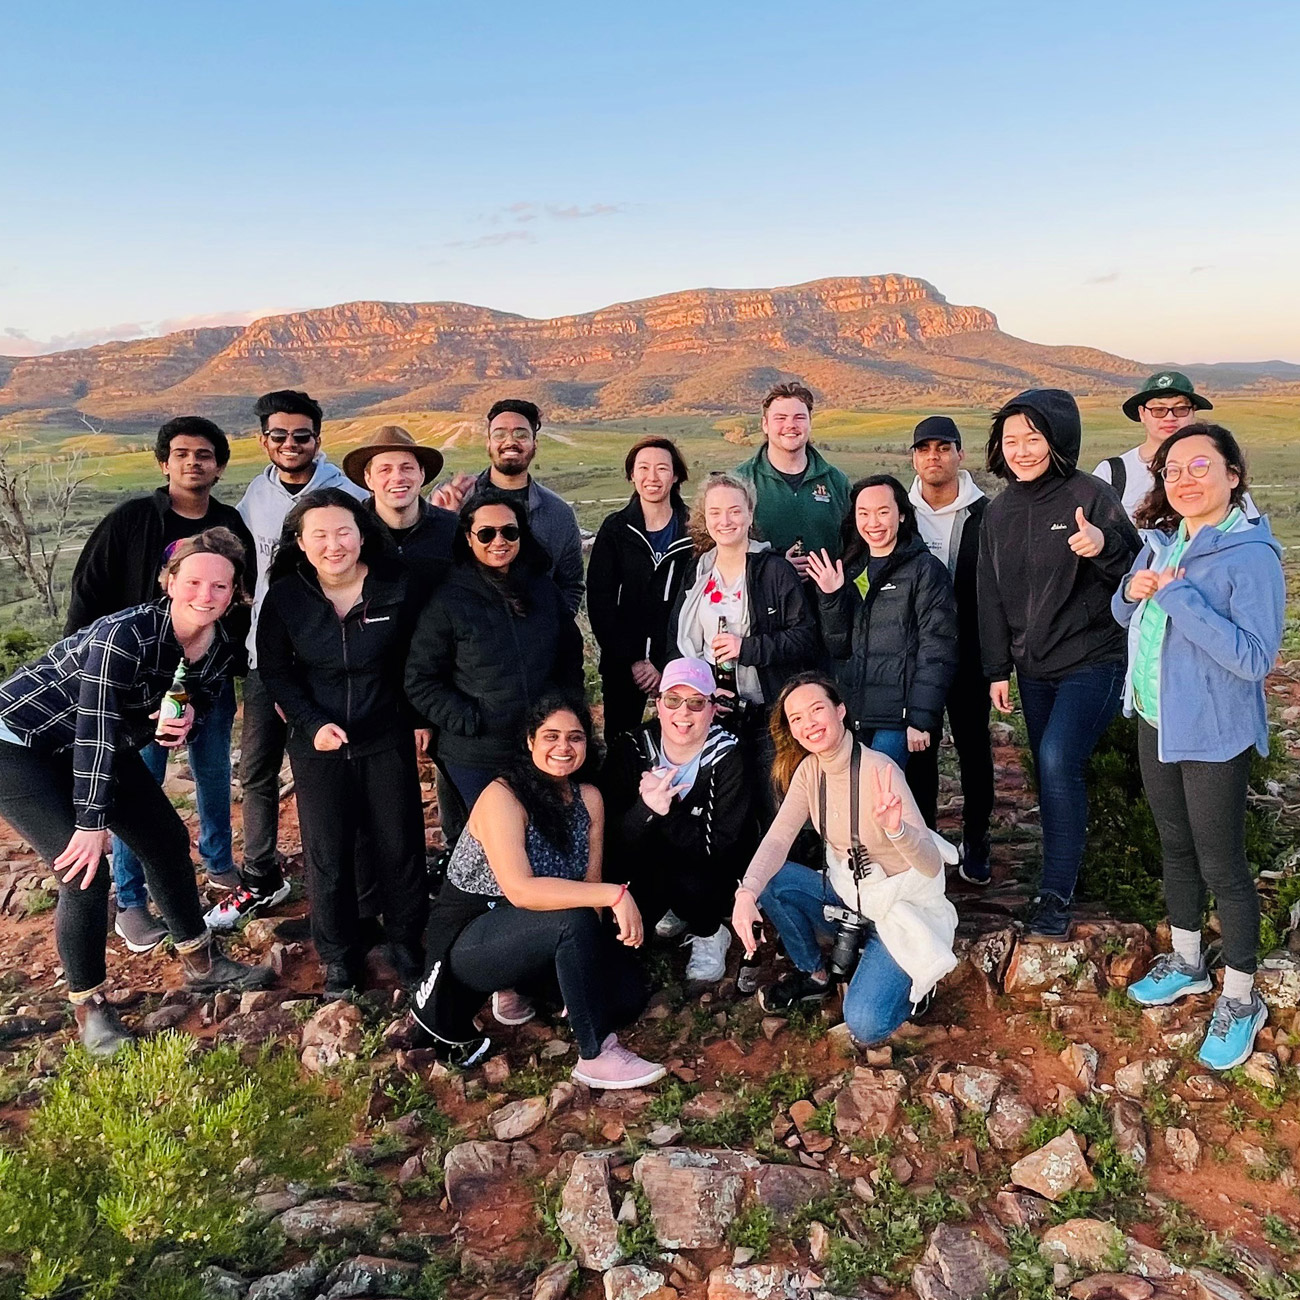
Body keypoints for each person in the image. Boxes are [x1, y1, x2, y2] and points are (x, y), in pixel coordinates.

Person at [0, 530, 273, 1055]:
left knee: (165, 840)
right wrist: (91, 822)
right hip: (21, 746)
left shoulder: (219, 645)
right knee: (83, 871)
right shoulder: (124, 635)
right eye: (193, 582)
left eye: (220, 586)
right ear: (169, 582)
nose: (206, 595)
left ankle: (200, 961)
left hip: (95, 744)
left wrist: (187, 722)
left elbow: (196, 703)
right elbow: (96, 728)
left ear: (235, 592)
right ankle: (90, 1006)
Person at [1118, 425, 1284, 1071]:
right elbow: (1125, 614)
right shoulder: (1162, 542)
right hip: (1156, 721)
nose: (1183, 480)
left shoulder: (1252, 557)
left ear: (1233, 475)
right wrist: (1130, 592)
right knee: (1176, 848)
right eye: (1171, 471)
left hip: (1214, 734)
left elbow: (1254, 658)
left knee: (1223, 866)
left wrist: (1177, 596)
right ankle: (1188, 962)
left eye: (1199, 466)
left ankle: (1241, 996)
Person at [63, 416, 256, 950]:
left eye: (204, 454)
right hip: (134, 685)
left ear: (219, 466)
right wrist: (89, 669)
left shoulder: (230, 523)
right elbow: (89, 592)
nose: (193, 462)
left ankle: (219, 864)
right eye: (182, 453)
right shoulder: (132, 520)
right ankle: (131, 901)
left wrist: (228, 662)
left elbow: (242, 596)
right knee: (137, 789)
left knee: (213, 773)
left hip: (206, 673)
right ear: (163, 462)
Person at [410, 695, 664, 1088]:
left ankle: (525, 987)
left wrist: (584, 971)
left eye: (575, 737)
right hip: (473, 937)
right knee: (571, 920)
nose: (564, 747)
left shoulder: (588, 798)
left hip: (537, 931)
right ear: (530, 741)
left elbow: (588, 885)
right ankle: (596, 1055)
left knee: (625, 998)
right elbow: (521, 891)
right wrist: (615, 895)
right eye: (551, 736)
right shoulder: (503, 796)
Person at [978, 389, 1141, 938]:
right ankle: (1062, 871)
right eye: (1011, 439)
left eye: (1034, 438)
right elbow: (989, 594)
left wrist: (1102, 546)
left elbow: (1136, 571)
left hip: (1092, 658)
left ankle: (1055, 896)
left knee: (1055, 759)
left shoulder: (1089, 495)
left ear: (1057, 441)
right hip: (1034, 666)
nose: (1021, 450)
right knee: (1052, 773)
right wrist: (996, 669)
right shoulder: (998, 511)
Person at [255, 489, 429, 994]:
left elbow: (417, 660)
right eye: (320, 535)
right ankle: (338, 956)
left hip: (385, 736)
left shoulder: (395, 587)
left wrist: (417, 717)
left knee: (400, 844)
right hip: (318, 745)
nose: (334, 545)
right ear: (301, 543)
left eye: (343, 532)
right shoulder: (286, 597)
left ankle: (405, 941)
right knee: (327, 851)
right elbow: (276, 671)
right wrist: (312, 724)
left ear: (362, 535)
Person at [730, 675, 957, 1043]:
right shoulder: (809, 771)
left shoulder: (879, 770)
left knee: (865, 1025)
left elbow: (931, 865)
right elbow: (778, 839)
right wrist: (746, 893)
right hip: (848, 894)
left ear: (840, 711)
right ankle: (815, 975)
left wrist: (897, 830)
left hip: (898, 908)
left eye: (817, 709)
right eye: (796, 718)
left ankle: (915, 983)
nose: (809, 724)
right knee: (770, 881)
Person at [219, 390, 367, 929]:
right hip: (268, 656)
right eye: (278, 435)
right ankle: (261, 874)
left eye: (301, 435)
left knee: (335, 767)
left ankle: (351, 874)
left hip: (332, 658)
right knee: (257, 768)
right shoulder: (252, 499)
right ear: (263, 440)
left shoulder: (350, 495)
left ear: (317, 440)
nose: (290, 444)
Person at [406, 490, 585, 817]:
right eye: (486, 533)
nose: (498, 541)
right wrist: (472, 719)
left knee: (542, 833)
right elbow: (420, 680)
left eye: (509, 532)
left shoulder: (543, 591)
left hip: (541, 748)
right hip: (478, 756)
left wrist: (564, 706)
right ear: (468, 538)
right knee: (492, 838)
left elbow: (570, 658)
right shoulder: (448, 601)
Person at [602, 657, 751, 982]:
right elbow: (611, 837)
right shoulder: (632, 748)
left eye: (696, 703)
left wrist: (665, 811)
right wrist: (645, 809)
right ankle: (665, 908)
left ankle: (710, 930)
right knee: (617, 957)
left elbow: (719, 848)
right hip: (641, 866)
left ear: (712, 709)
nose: (683, 713)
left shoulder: (728, 757)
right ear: (658, 705)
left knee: (694, 884)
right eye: (673, 700)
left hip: (701, 870)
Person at [806, 474, 957, 784]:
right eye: (863, 513)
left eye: (883, 511)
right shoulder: (850, 570)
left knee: (878, 791)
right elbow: (839, 648)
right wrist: (832, 597)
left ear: (901, 515)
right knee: (862, 797)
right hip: (857, 716)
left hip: (899, 720)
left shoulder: (925, 570)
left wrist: (921, 718)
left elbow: (937, 647)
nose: (873, 522)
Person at [905, 417, 995, 880]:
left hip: (971, 653)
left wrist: (999, 661)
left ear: (961, 454)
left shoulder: (987, 515)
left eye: (943, 448)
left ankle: (976, 839)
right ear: (914, 458)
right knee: (919, 748)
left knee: (973, 747)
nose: (934, 457)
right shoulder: (900, 514)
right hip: (916, 655)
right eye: (925, 449)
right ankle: (925, 844)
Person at [428, 399, 584, 615]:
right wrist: (444, 520)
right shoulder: (452, 498)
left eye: (521, 434)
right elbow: (428, 568)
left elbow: (571, 584)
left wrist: (555, 626)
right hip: (466, 629)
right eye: (500, 434)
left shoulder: (558, 513)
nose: (510, 442)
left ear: (535, 444)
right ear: (488, 443)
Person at [587, 436, 695, 740]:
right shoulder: (616, 529)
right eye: (643, 468)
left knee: (683, 739)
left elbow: (697, 602)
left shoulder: (695, 530)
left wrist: (663, 662)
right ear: (631, 475)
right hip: (623, 665)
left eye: (662, 468)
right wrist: (634, 660)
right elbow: (600, 603)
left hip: (681, 660)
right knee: (622, 744)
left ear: (676, 476)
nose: (652, 477)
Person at [734, 382, 850, 577]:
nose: (790, 425)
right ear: (765, 424)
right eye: (780, 418)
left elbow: (856, 543)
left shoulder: (836, 481)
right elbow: (725, 549)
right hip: (762, 592)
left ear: (810, 423)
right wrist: (776, 568)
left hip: (827, 594)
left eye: (799, 417)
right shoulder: (739, 482)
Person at [343, 424, 456, 600]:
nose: (397, 478)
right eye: (385, 470)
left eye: (407, 468)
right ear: (368, 479)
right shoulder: (350, 530)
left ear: (421, 474)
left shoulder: (452, 528)